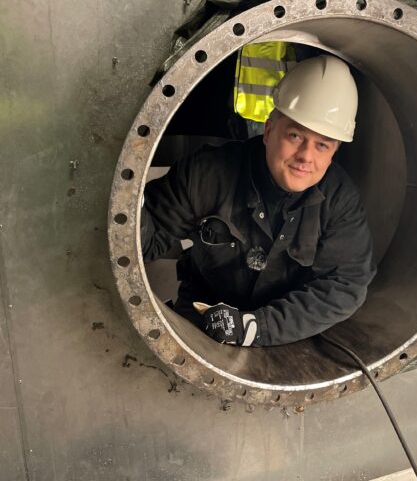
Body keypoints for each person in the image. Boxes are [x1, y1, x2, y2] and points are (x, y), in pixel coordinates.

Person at [140, 55, 375, 347]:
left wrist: (256, 327)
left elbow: (345, 284)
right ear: (268, 131)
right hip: (203, 313)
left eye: (322, 145)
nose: (306, 156)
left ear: (334, 151)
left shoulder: (339, 200)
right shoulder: (206, 174)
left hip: (287, 329)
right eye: (295, 135)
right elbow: (148, 240)